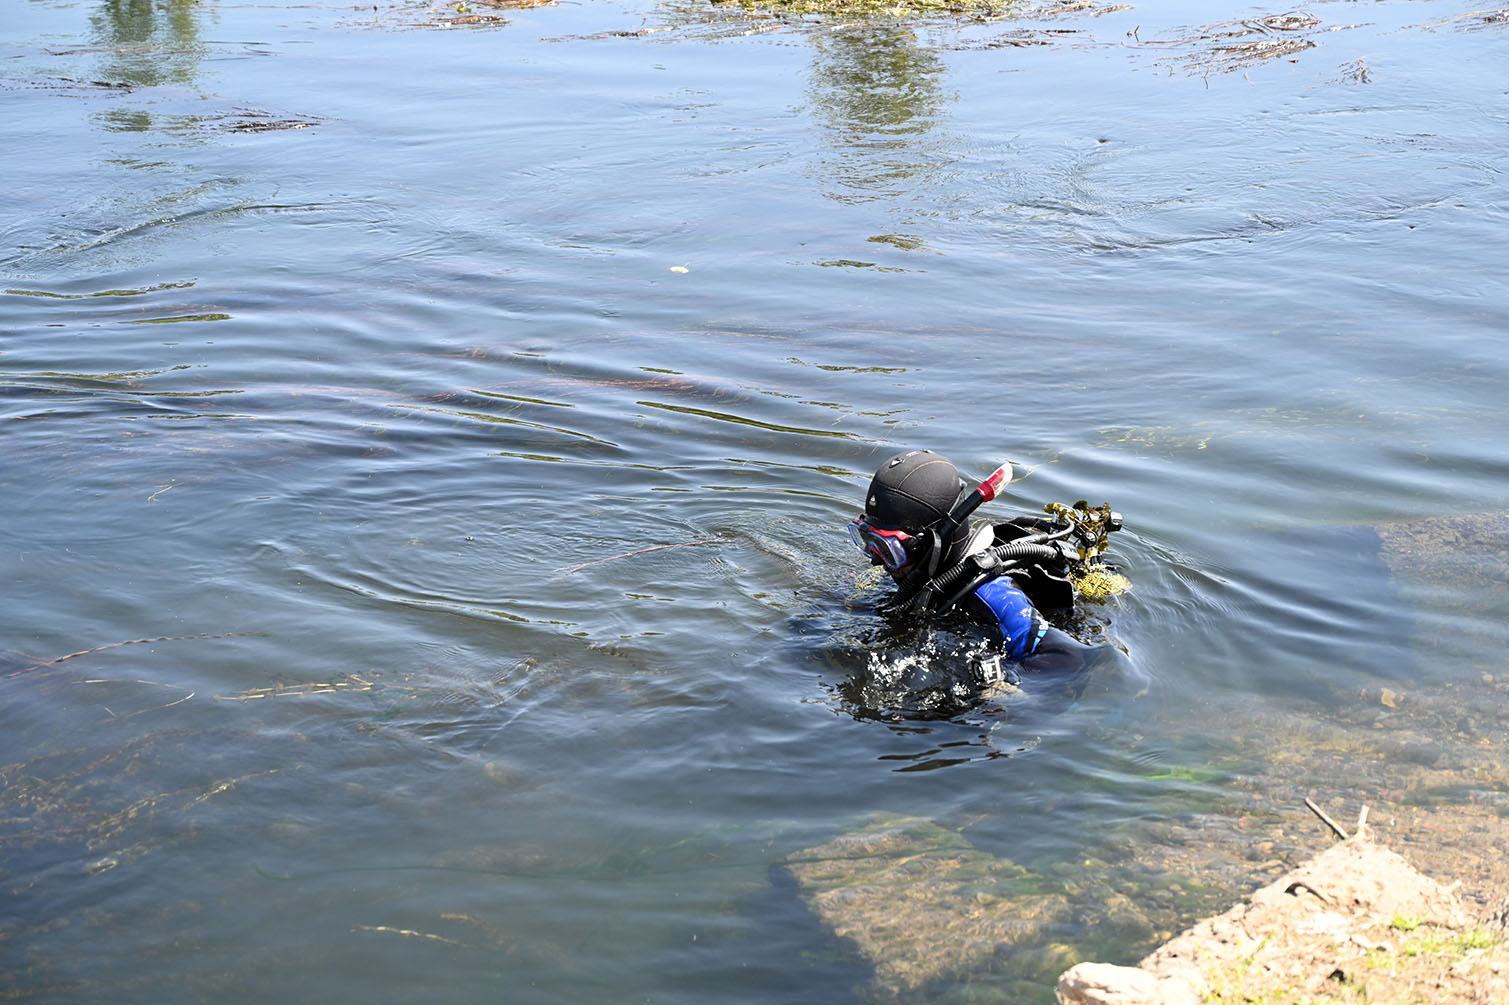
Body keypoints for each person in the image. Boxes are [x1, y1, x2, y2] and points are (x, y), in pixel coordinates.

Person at [846, 449, 1115, 691]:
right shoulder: (924, 574)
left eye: (889, 549)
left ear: (935, 542)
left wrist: (1008, 686)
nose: (876, 561)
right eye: (869, 541)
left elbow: (1071, 660)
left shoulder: (994, 596)